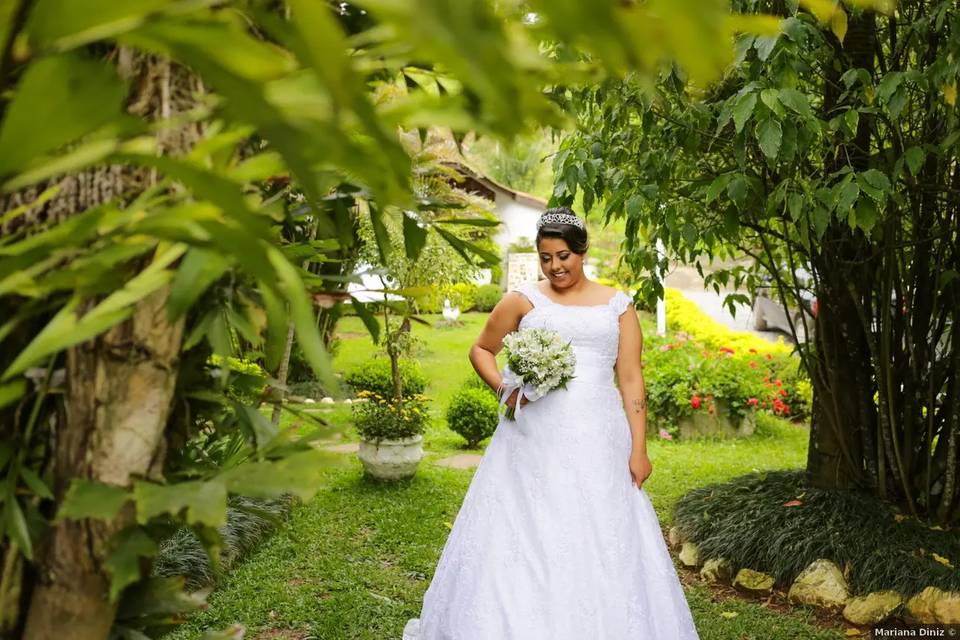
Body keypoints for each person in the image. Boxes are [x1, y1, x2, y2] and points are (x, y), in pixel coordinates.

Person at [402, 206, 700, 639]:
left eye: (563, 256)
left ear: (581, 252)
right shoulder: (523, 300)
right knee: (523, 534)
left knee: (601, 535)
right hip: (532, 440)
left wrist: (639, 449)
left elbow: (631, 378)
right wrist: (506, 390)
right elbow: (481, 349)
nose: (555, 266)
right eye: (546, 257)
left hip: (599, 438)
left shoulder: (618, 306)